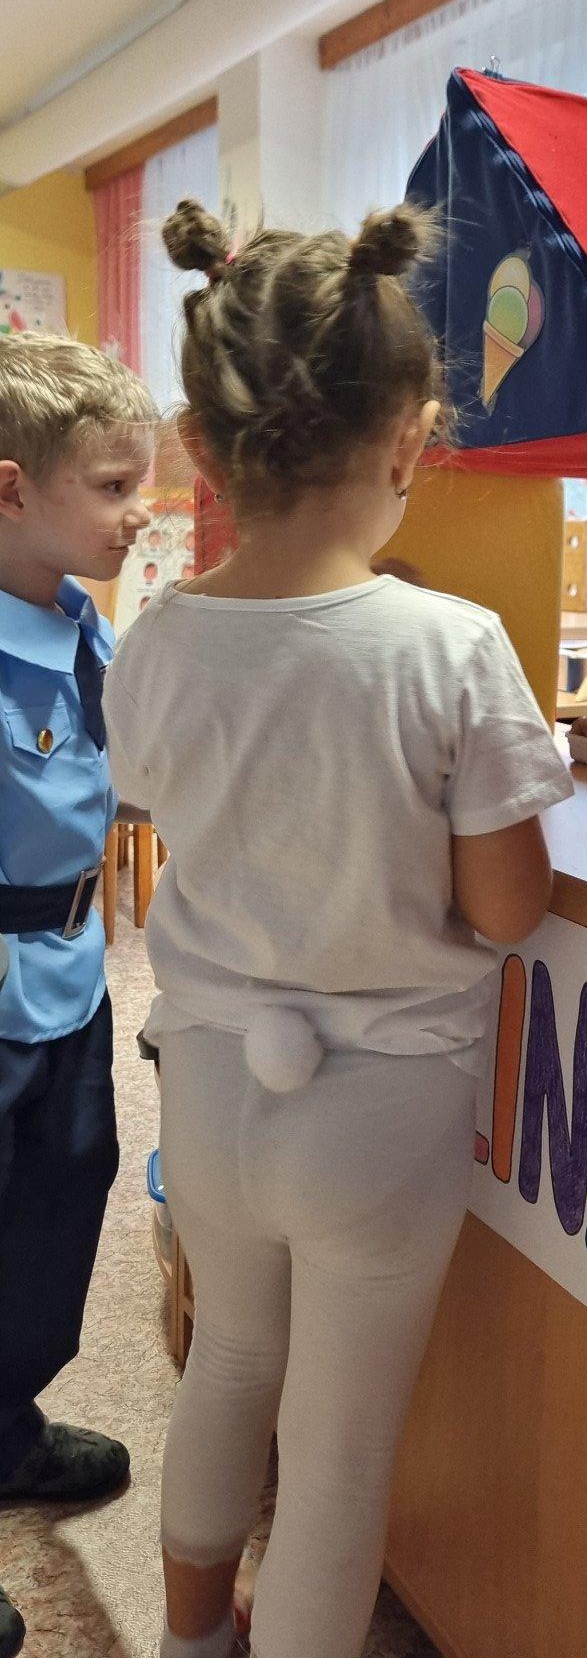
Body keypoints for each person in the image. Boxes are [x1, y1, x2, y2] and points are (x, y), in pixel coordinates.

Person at [103, 198, 574, 1658]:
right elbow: (508, 905)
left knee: (231, 1361)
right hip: (380, 1101)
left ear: (204, 447)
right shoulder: (451, 645)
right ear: (411, 441)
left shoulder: (157, 635)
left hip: (212, 1080)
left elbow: (158, 797)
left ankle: (190, 1641)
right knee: (339, 1450)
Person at [0, 335, 156, 1658]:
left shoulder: (77, 616)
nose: (139, 511)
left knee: (60, 1208)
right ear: (13, 488)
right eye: (112, 487)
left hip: (67, 973)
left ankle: (6, 1428)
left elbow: (115, 776)